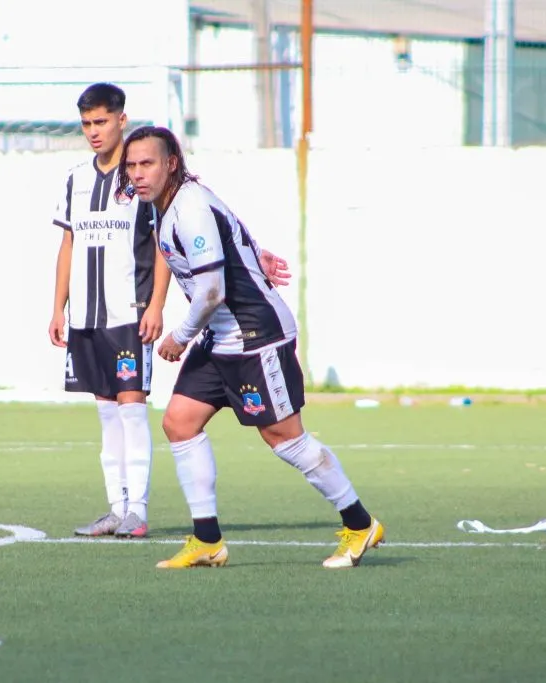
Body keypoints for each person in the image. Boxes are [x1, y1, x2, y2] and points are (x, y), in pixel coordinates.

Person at [116, 125, 384, 569]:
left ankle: (360, 524)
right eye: (132, 165)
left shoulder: (190, 207)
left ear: (171, 164)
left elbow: (212, 292)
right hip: (220, 337)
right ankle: (208, 541)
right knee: (180, 422)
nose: (138, 173)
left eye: (148, 163)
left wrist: (178, 338)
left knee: (286, 440)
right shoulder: (166, 205)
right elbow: (233, 233)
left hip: (254, 335)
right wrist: (254, 255)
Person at [48, 84, 294, 539]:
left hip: (130, 310)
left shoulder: (144, 181)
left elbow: (167, 243)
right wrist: (58, 307)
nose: (93, 132)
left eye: (100, 122)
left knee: (132, 410)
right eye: (86, 124)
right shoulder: (75, 178)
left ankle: (136, 511)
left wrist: (156, 304)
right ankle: (115, 508)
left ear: (121, 119)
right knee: (105, 415)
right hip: (87, 314)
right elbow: (68, 243)